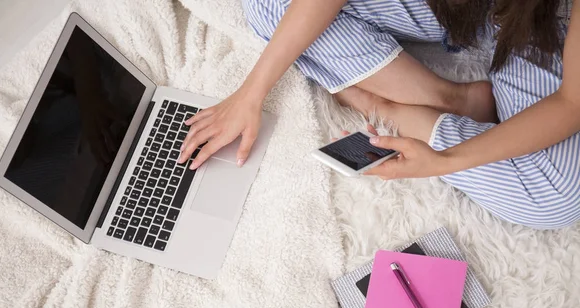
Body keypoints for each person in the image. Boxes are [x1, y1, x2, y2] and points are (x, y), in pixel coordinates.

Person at [178, 0, 580, 230]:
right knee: (269, 5)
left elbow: (571, 103)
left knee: (559, 197)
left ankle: (389, 108)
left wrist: (445, 158)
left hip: (542, 24)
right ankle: (451, 100)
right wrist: (250, 93)